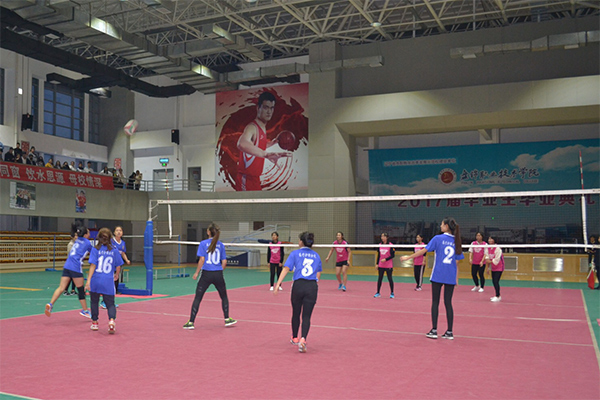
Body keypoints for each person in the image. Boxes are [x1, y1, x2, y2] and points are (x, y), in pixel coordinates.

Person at [401, 217, 464, 340]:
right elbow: (457, 262)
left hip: (438, 274)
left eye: (442, 224)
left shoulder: (438, 238)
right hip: (450, 276)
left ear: (446, 226)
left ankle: (434, 330)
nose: (440, 226)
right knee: (448, 303)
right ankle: (449, 332)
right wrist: (456, 278)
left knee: (435, 302)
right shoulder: (456, 241)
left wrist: (408, 257)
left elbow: (423, 251)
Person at [274, 231, 322, 353]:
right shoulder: (316, 256)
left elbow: (286, 269)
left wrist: (278, 284)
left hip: (298, 285)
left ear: (301, 242)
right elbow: (318, 272)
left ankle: (294, 337)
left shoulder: (295, 253)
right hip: (311, 286)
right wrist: (314, 283)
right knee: (306, 316)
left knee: (296, 312)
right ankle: (303, 339)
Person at [183, 223, 237, 329]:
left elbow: (202, 259)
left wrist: (196, 272)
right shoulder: (221, 245)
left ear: (208, 232)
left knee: (198, 298)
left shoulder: (203, 243)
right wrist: (219, 271)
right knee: (224, 297)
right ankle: (227, 319)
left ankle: (191, 322)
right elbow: (224, 261)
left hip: (206, 274)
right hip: (218, 274)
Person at [235, 91, 290, 191]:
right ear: (258, 108)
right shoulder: (252, 127)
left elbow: (256, 145)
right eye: (266, 107)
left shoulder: (262, 128)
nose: (269, 112)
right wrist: (266, 154)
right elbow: (242, 144)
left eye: (271, 108)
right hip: (246, 179)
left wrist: (272, 143)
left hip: (255, 179)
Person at [44, 223, 92, 319]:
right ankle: (85, 310)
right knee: (81, 290)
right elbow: (94, 253)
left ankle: (50, 304)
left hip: (67, 265)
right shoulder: (87, 243)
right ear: (85, 234)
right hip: (75, 267)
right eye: (88, 232)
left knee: (61, 287)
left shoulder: (77, 240)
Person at [85, 228, 124, 333]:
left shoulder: (95, 249)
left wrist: (88, 281)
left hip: (96, 279)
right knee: (110, 303)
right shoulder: (114, 250)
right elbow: (118, 265)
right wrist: (116, 274)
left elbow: (93, 265)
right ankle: (111, 320)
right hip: (108, 280)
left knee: (94, 301)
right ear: (110, 237)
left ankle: (94, 322)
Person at [100, 226, 130, 309]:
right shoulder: (111, 241)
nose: (119, 232)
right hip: (110, 265)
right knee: (108, 284)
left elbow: (123, 253)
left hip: (117, 265)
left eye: (120, 230)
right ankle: (104, 301)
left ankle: (110, 302)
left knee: (114, 284)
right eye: (117, 230)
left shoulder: (123, 243)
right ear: (114, 232)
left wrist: (126, 260)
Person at [374, 233, 395, 298]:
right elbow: (379, 255)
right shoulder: (380, 245)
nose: (382, 237)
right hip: (381, 265)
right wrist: (377, 263)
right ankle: (378, 292)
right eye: (381, 236)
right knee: (380, 279)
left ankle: (392, 293)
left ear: (387, 237)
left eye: (383, 236)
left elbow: (393, 255)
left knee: (390, 279)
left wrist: (386, 259)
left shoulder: (391, 245)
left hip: (388, 265)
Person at [484, 236, 504, 302]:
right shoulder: (488, 248)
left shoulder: (498, 248)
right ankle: (497, 295)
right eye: (489, 239)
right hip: (493, 267)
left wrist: (489, 261)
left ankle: (498, 296)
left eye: (491, 239)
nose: (490, 240)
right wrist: (488, 268)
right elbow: (487, 257)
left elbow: (497, 260)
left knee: (496, 281)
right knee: (494, 281)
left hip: (499, 267)